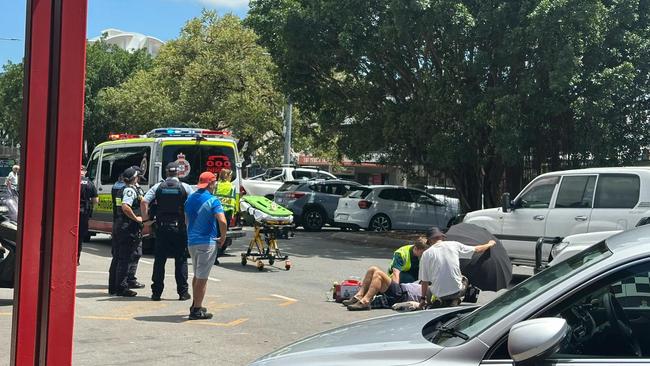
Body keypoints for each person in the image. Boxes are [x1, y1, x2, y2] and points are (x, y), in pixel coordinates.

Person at [141, 162, 194, 301]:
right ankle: (183, 293)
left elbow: (144, 202)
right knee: (181, 260)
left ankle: (156, 293)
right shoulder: (185, 187)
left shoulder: (158, 186)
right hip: (179, 228)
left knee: (159, 260)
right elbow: (194, 204)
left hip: (162, 228)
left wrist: (146, 221)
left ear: (166, 173)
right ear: (178, 173)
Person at [184, 172, 227, 320]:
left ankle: (196, 303)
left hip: (192, 242)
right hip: (206, 242)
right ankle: (196, 310)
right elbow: (222, 221)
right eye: (214, 183)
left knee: (197, 274)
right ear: (211, 184)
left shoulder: (190, 199)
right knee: (202, 277)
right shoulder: (213, 200)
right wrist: (223, 237)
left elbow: (187, 220)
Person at [419, 227, 495, 308]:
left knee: (430, 289)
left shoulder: (426, 254)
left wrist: (423, 299)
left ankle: (434, 302)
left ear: (430, 240)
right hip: (457, 291)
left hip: (439, 293)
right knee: (464, 278)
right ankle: (458, 299)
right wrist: (489, 244)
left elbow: (424, 281)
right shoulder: (454, 244)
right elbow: (477, 249)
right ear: (441, 237)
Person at [108, 170, 145, 295]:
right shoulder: (129, 190)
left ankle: (113, 287)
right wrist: (136, 218)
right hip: (127, 227)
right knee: (125, 258)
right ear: (134, 178)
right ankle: (121, 288)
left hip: (119, 225)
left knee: (118, 258)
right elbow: (125, 207)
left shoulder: (121, 188)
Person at [344, 266, 422, 311]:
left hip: (403, 294)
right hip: (401, 289)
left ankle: (365, 301)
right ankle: (359, 296)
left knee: (378, 274)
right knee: (373, 269)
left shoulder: (431, 290)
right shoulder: (423, 283)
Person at [78, 165, 98, 265]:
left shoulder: (73, 180)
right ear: (85, 172)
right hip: (84, 212)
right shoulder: (89, 183)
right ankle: (77, 258)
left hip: (73, 213)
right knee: (80, 237)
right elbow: (96, 200)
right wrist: (92, 208)